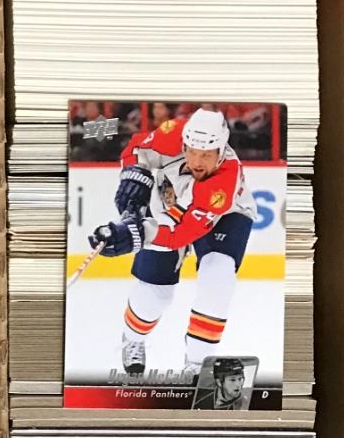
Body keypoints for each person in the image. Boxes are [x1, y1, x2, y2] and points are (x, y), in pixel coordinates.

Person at [89, 107, 259, 382]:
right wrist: (135, 176)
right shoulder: (172, 133)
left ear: (221, 150)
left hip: (226, 215)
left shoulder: (223, 182)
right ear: (184, 143)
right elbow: (136, 148)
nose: (197, 162)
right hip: (168, 207)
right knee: (154, 295)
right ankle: (133, 338)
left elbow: (180, 233)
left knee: (218, 275)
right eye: (192, 152)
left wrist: (134, 234)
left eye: (206, 155)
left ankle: (198, 362)